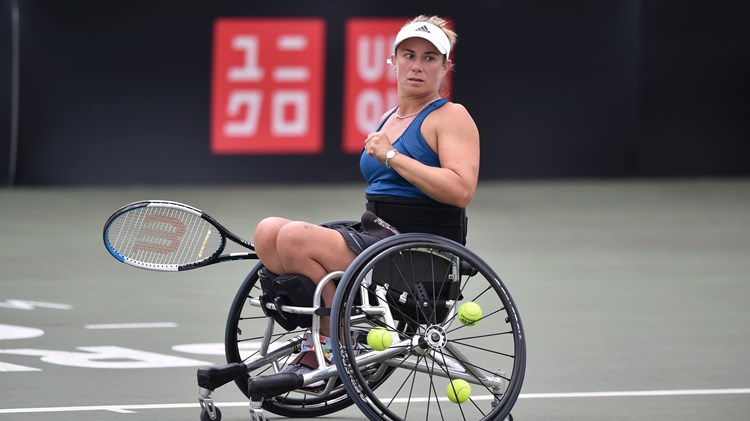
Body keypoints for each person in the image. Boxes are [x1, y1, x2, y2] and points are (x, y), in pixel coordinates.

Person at [253, 15, 480, 375]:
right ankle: (336, 326)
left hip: (414, 252)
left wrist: (392, 156)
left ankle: (334, 340)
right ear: (392, 61)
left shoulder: (451, 117)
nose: (417, 66)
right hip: (376, 235)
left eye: (429, 58)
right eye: (408, 55)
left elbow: (461, 190)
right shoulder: (390, 117)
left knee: (294, 238)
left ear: (445, 67)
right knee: (268, 232)